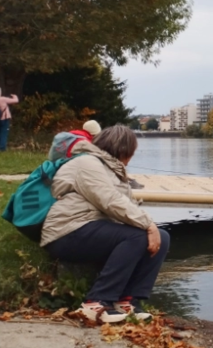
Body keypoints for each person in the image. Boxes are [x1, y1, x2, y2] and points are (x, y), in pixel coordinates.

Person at [41, 125, 170, 323]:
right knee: (139, 235)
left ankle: (127, 300)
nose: (131, 158)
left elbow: (126, 206)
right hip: (67, 231)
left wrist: (150, 228)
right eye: (132, 153)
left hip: (89, 229)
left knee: (162, 237)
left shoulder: (111, 170)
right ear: (124, 150)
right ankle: (96, 303)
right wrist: (148, 225)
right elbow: (109, 200)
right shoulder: (88, 163)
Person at [0, 86, 19, 152]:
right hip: (4, 119)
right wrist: (14, 96)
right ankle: (2, 148)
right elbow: (16, 101)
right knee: (3, 133)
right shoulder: (2, 99)